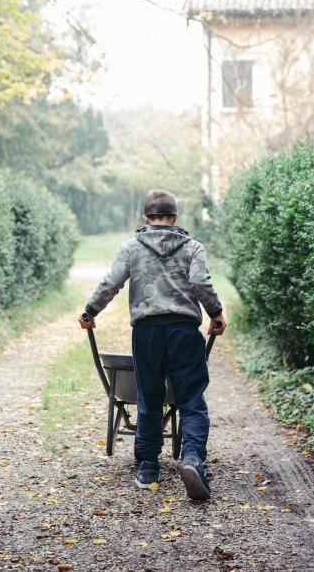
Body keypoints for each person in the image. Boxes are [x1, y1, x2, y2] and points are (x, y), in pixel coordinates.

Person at [78, 189, 226, 501]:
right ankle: (192, 458)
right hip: (184, 331)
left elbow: (111, 282)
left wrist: (90, 311)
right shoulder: (193, 247)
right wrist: (215, 313)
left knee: (149, 396)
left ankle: (148, 467)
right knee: (191, 399)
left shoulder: (131, 247)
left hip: (146, 332)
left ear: (146, 218)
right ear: (175, 217)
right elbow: (200, 283)